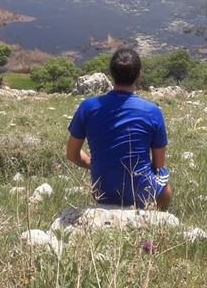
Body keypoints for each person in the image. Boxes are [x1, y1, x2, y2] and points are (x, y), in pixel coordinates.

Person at [66, 48, 172, 210]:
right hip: (142, 194)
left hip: (102, 191)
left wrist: (93, 164)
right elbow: (158, 164)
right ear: (139, 75)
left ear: (111, 75)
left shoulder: (88, 107)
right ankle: (158, 216)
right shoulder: (152, 111)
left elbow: (72, 155)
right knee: (164, 180)